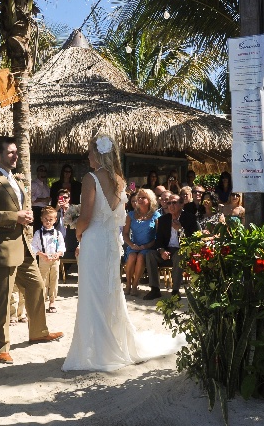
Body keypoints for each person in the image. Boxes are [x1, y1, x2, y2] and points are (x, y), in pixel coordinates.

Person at [62, 133, 184, 372]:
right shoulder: (119, 180)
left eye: (89, 152)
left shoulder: (90, 178)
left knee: (92, 292)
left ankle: (97, 349)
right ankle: (111, 344)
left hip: (95, 240)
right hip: (110, 242)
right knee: (109, 291)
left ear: (98, 154)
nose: (87, 156)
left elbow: (86, 217)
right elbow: (115, 216)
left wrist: (78, 233)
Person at [0, 136, 63, 365]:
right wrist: (16, 217)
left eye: (16, 152)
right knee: (2, 298)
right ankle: (0, 347)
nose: (16, 156)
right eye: (11, 152)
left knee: (37, 285)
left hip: (23, 244)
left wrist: (27, 216)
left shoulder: (15, 179)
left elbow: (20, 208)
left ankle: (38, 332)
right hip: (2, 246)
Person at [144, 193, 200, 300]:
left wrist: (181, 229)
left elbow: (195, 239)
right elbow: (159, 239)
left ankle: (175, 291)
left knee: (179, 255)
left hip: (182, 250)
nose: (171, 205)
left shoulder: (191, 218)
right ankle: (155, 289)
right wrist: (161, 251)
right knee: (150, 254)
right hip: (167, 250)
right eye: (168, 203)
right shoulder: (163, 219)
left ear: (181, 204)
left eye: (174, 203)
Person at [122, 188, 158, 296]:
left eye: (143, 197)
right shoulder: (131, 215)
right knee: (132, 256)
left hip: (148, 246)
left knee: (141, 257)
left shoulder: (155, 215)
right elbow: (125, 233)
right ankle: (128, 284)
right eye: (139, 197)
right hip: (133, 245)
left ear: (150, 200)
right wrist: (132, 244)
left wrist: (147, 245)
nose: (140, 199)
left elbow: (157, 236)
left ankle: (135, 285)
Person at [32, 206, 64, 314]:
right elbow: (33, 246)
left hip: (55, 260)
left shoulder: (58, 234)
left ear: (55, 220)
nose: (48, 222)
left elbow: (62, 246)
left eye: (50, 219)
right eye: (45, 219)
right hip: (43, 259)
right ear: (41, 219)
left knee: (54, 280)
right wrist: (41, 254)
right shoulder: (38, 233)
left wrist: (58, 254)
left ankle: (52, 301)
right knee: (43, 280)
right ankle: (42, 301)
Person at [31, 165, 51, 232]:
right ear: (37, 172)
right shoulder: (33, 184)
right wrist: (43, 199)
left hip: (45, 211)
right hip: (36, 210)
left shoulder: (46, 186)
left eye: (44, 171)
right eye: (41, 170)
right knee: (37, 230)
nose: (43, 172)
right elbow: (30, 198)